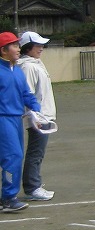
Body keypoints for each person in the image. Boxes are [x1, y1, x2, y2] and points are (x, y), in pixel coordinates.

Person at [1, 32, 41, 213]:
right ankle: (8, 198)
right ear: (3, 50)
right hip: (3, 118)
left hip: (16, 119)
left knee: (15, 156)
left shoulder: (16, 69)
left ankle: (7, 197)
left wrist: (36, 110)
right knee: (13, 156)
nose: (19, 49)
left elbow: (26, 93)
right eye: (14, 46)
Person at [18, 31, 56, 201]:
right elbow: (28, 94)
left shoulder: (35, 63)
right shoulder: (28, 67)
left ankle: (34, 185)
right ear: (28, 48)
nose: (41, 48)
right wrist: (35, 118)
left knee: (37, 152)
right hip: (39, 118)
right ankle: (32, 187)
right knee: (36, 152)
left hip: (44, 115)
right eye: (38, 45)